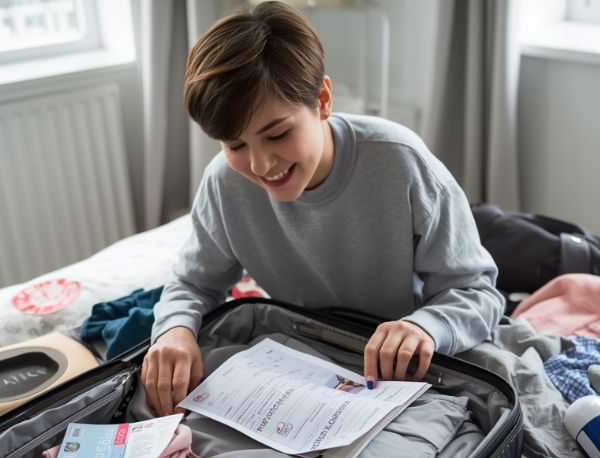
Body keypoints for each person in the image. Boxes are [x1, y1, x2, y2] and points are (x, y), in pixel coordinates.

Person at [142, 1, 504, 417]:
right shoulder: (225, 183)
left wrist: (426, 327)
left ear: (323, 100)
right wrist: (174, 331)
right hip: (315, 356)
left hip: (401, 361)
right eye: (235, 145)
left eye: (277, 134)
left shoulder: (401, 162)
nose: (260, 166)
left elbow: (478, 292)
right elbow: (193, 283)